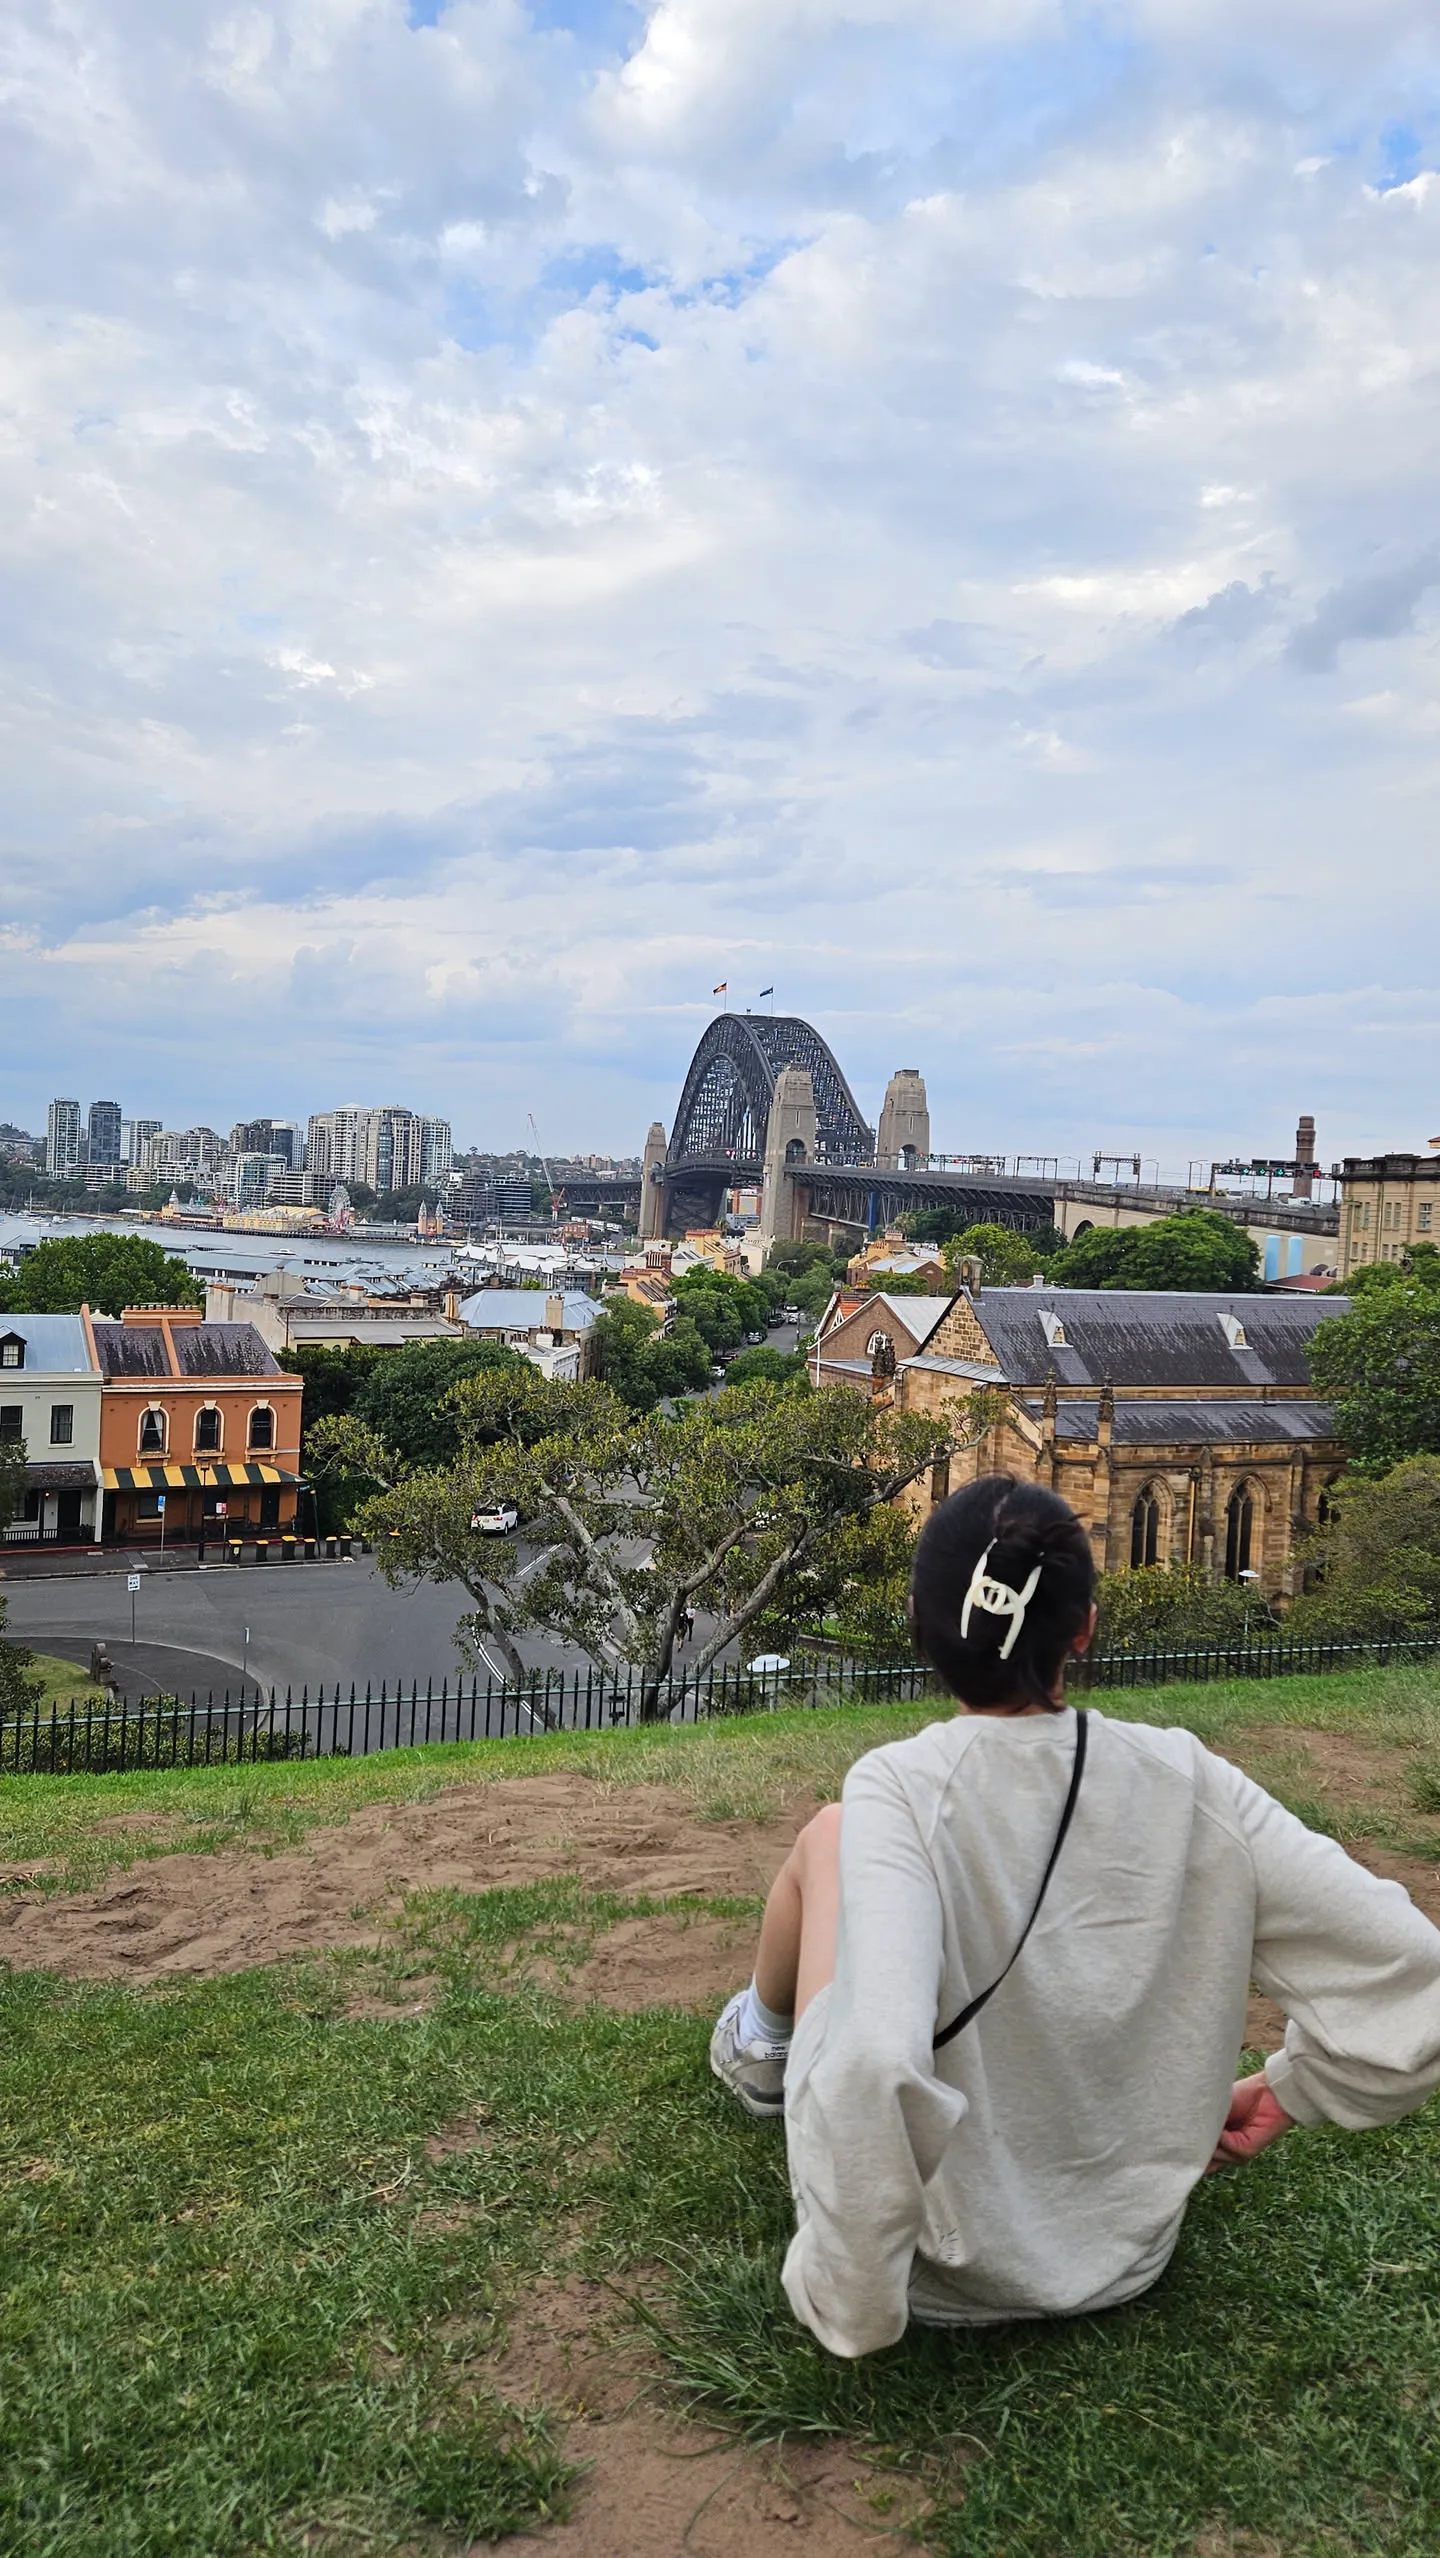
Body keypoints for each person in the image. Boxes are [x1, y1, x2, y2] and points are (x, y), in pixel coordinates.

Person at [709, 1475, 1440, 2360]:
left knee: (829, 1837)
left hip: (946, 2271)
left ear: (918, 1620)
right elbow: (1413, 1974)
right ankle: (764, 2040)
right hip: (1128, 2257)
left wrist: (851, 2300)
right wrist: (1292, 2091)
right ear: (1085, 1629)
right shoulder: (1193, 1781)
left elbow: (871, 2064)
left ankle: (761, 2044)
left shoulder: (899, 1789)